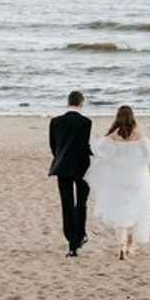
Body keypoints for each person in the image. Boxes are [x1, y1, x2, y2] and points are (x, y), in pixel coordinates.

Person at [85, 104, 150, 260]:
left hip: (118, 177)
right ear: (132, 117)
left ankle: (121, 246)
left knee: (120, 213)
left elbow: (97, 148)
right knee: (136, 209)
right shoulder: (137, 134)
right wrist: (136, 163)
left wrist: (113, 159)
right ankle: (130, 246)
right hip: (135, 177)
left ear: (118, 117)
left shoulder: (114, 134)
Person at [48, 90, 93, 257]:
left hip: (62, 166)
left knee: (67, 205)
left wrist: (61, 158)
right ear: (81, 104)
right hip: (82, 168)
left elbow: (54, 146)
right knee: (81, 203)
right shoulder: (86, 122)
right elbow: (83, 146)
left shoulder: (55, 121)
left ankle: (72, 244)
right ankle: (80, 236)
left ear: (67, 103)